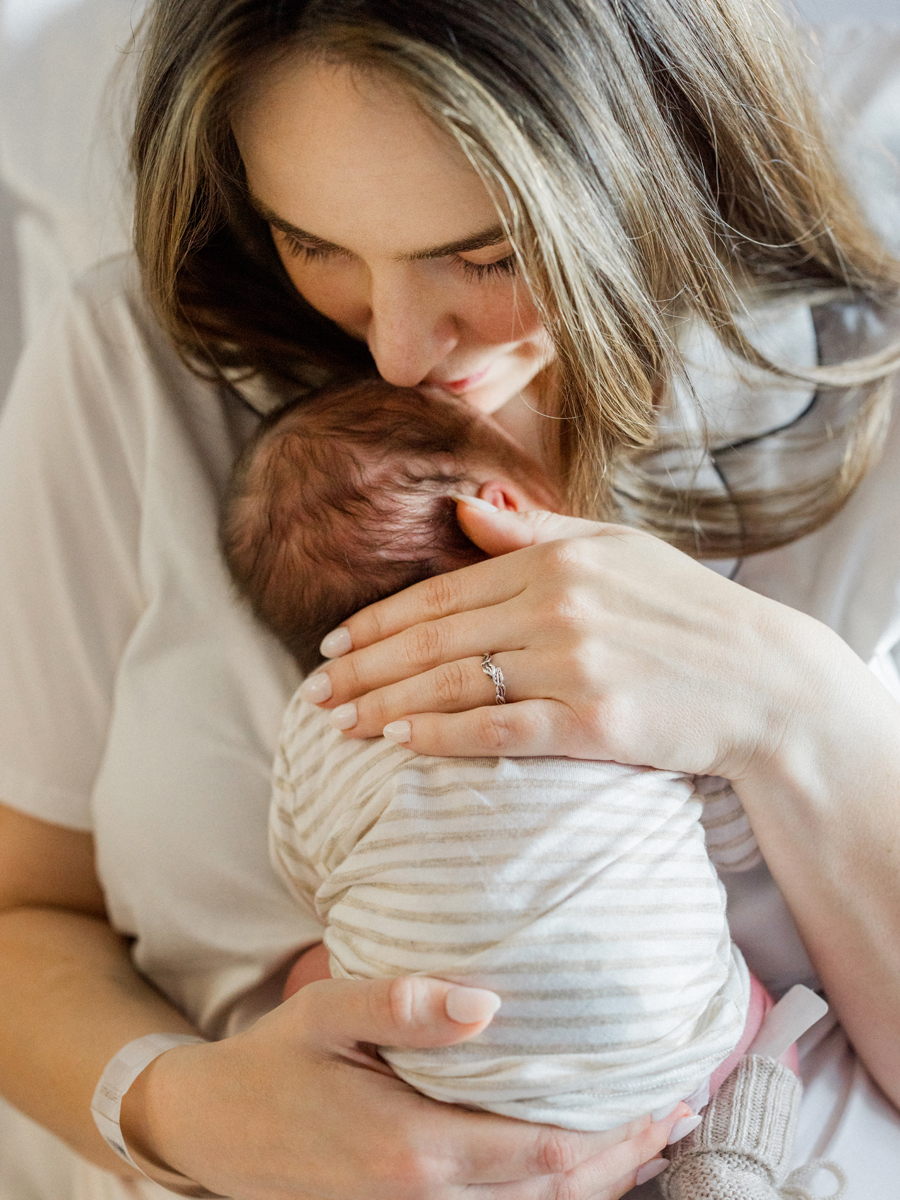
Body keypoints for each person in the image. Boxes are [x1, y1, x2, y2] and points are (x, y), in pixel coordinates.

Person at [0, 2, 899, 1200]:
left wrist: (793, 708)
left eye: (484, 256)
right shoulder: (135, 365)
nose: (403, 352)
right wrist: (180, 1108)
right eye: (311, 243)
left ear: (665, 156)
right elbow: (20, 911)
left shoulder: (873, 424)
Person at [223, 377, 824, 1200]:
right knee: (761, 1013)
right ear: (499, 508)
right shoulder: (615, 645)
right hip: (665, 1063)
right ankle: (729, 1167)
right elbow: (726, 830)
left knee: (310, 978)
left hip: (445, 1083)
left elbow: (307, 874)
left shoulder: (319, 713)